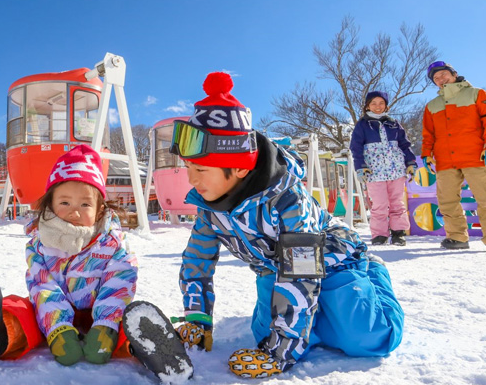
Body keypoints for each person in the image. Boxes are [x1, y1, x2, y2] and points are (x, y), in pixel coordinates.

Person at [169, 72, 404, 379]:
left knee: (367, 338)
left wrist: (282, 352)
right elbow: (196, 262)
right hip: (276, 270)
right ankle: (312, 319)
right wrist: (198, 320)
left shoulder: (289, 200)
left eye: (200, 168)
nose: (191, 179)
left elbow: (301, 271)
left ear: (240, 166)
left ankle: (370, 274)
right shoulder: (209, 207)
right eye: (187, 167)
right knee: (264, 333)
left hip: (333, 262)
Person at [0, 145, 192, 382]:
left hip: (102, 309)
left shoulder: (112, 243)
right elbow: (42, 286)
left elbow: (120, 281)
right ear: (50, 204)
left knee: (128, 320)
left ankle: (154, 352)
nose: (74, 212)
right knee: (21, 310)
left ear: (99, 209)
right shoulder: (40, 244)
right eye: (65, 203)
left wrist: (106, 325)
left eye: (85, 204)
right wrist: (58, 329)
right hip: (49, 311)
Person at [421, 61, 486, 249]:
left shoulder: (476, 94)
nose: (441, 79)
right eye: (436, 78)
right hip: (445, 159)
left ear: (453, 74)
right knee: (447, 201)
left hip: (475, 156)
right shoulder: (432, 106)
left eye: (443, 74)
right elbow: (428, 134)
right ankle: (457, 237)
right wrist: (426, 154)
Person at [350, 91, 417, 246]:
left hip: (396, 170)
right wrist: (360, 167)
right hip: (374, 171)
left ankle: (398, 233)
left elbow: (405, 145)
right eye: (373, 103)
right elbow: (356, 147)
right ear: (367, 106)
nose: (377, 106)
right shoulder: (362, 125)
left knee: (397, 203)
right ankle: (379, 234)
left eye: (381, 103)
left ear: (386, 105)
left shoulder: (393, 123)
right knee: (379, 204)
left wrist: (411, 162)